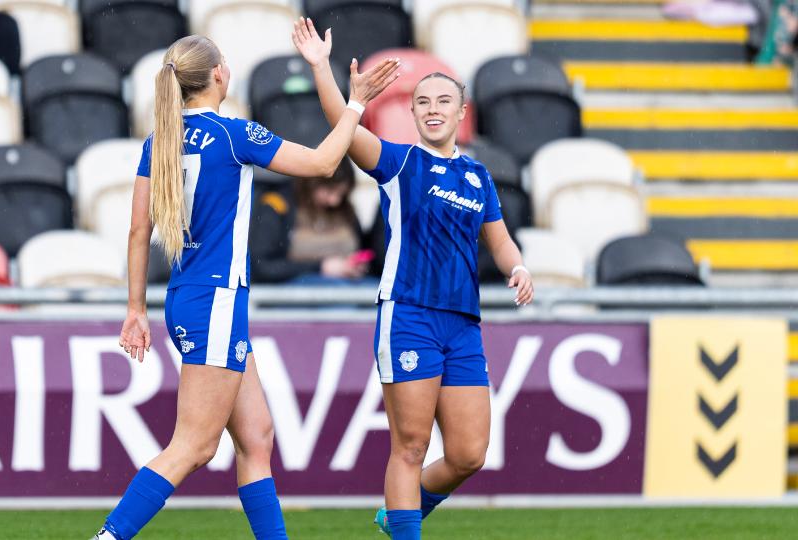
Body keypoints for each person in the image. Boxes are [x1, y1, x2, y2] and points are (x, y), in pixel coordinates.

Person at [93, 35, 399, 540]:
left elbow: (136, 232)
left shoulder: (159, 140)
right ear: (218, 75)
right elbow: (325, 163)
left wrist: (134, 309)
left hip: (188, 296)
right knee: (193, 446)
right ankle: (110, 536)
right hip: (215, 299)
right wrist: (357, 103)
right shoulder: (234, 134)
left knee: (256, 437)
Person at [292, 18, 534, 540]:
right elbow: (343, 125)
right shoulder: (399, 163)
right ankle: (404, 528)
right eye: (421, 102)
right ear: (411, 111)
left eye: (442, 101)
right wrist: (322, 70)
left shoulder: (479, 175)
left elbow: (499, 238)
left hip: (463, 326)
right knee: (411, 446)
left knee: (470, 454)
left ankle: (398, 515)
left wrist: (516, 265)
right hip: (409, 316)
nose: (431, 109)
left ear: (461, 113)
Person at [250, 160, 382, 283]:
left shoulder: (345, 209)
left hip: (350, 283)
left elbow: (365, 247)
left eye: (341, 193)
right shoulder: (278, 204)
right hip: (295, 287)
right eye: (329, 191)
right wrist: (321, 267)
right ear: (311, 183)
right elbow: (261, 266)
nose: (334, 200)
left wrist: (359, 264)